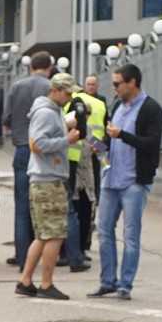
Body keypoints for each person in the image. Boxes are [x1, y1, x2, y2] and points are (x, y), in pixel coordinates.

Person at [90, 63, 162, 301]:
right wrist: (98, 147)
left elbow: (151, 143)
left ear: (132, 83)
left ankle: (125, 284)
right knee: (104, 231)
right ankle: (107, 281)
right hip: (111, 178)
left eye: (117, 84)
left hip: (134, 181)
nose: (114, 88)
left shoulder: (151, 108)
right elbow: (111, 141)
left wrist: (122, 134)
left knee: (130, 235)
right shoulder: (117, 105)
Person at [15, 74, 80, 301]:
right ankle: (46, 283)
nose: (70, 97)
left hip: (44, 178)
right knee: (54, 234)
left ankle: (25, 280)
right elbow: (37, 144)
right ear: (55, 90)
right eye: (68, 92)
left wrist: (66, 126)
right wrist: (67, 140)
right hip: (48, 179)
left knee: (43, 235)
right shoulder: (46, 112)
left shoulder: (52, 111)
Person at [1, 51, 53, 272]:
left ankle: (23, 257)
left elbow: (6, 118)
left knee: (22, 206)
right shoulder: (52, 87)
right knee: (48, 206)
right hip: (46, 152)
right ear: (49, 67)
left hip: (22, 148)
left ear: (30, 66)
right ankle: (48, 252)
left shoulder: (16, 87)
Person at [63, 75, 104, 272]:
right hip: (79, 181)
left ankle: (78, 250)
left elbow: (102, 151)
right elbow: (101, 151)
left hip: (83, 182)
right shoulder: (73, 130)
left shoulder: (84, 131)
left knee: (82, 215)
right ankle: (76, 251)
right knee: (79, 215)